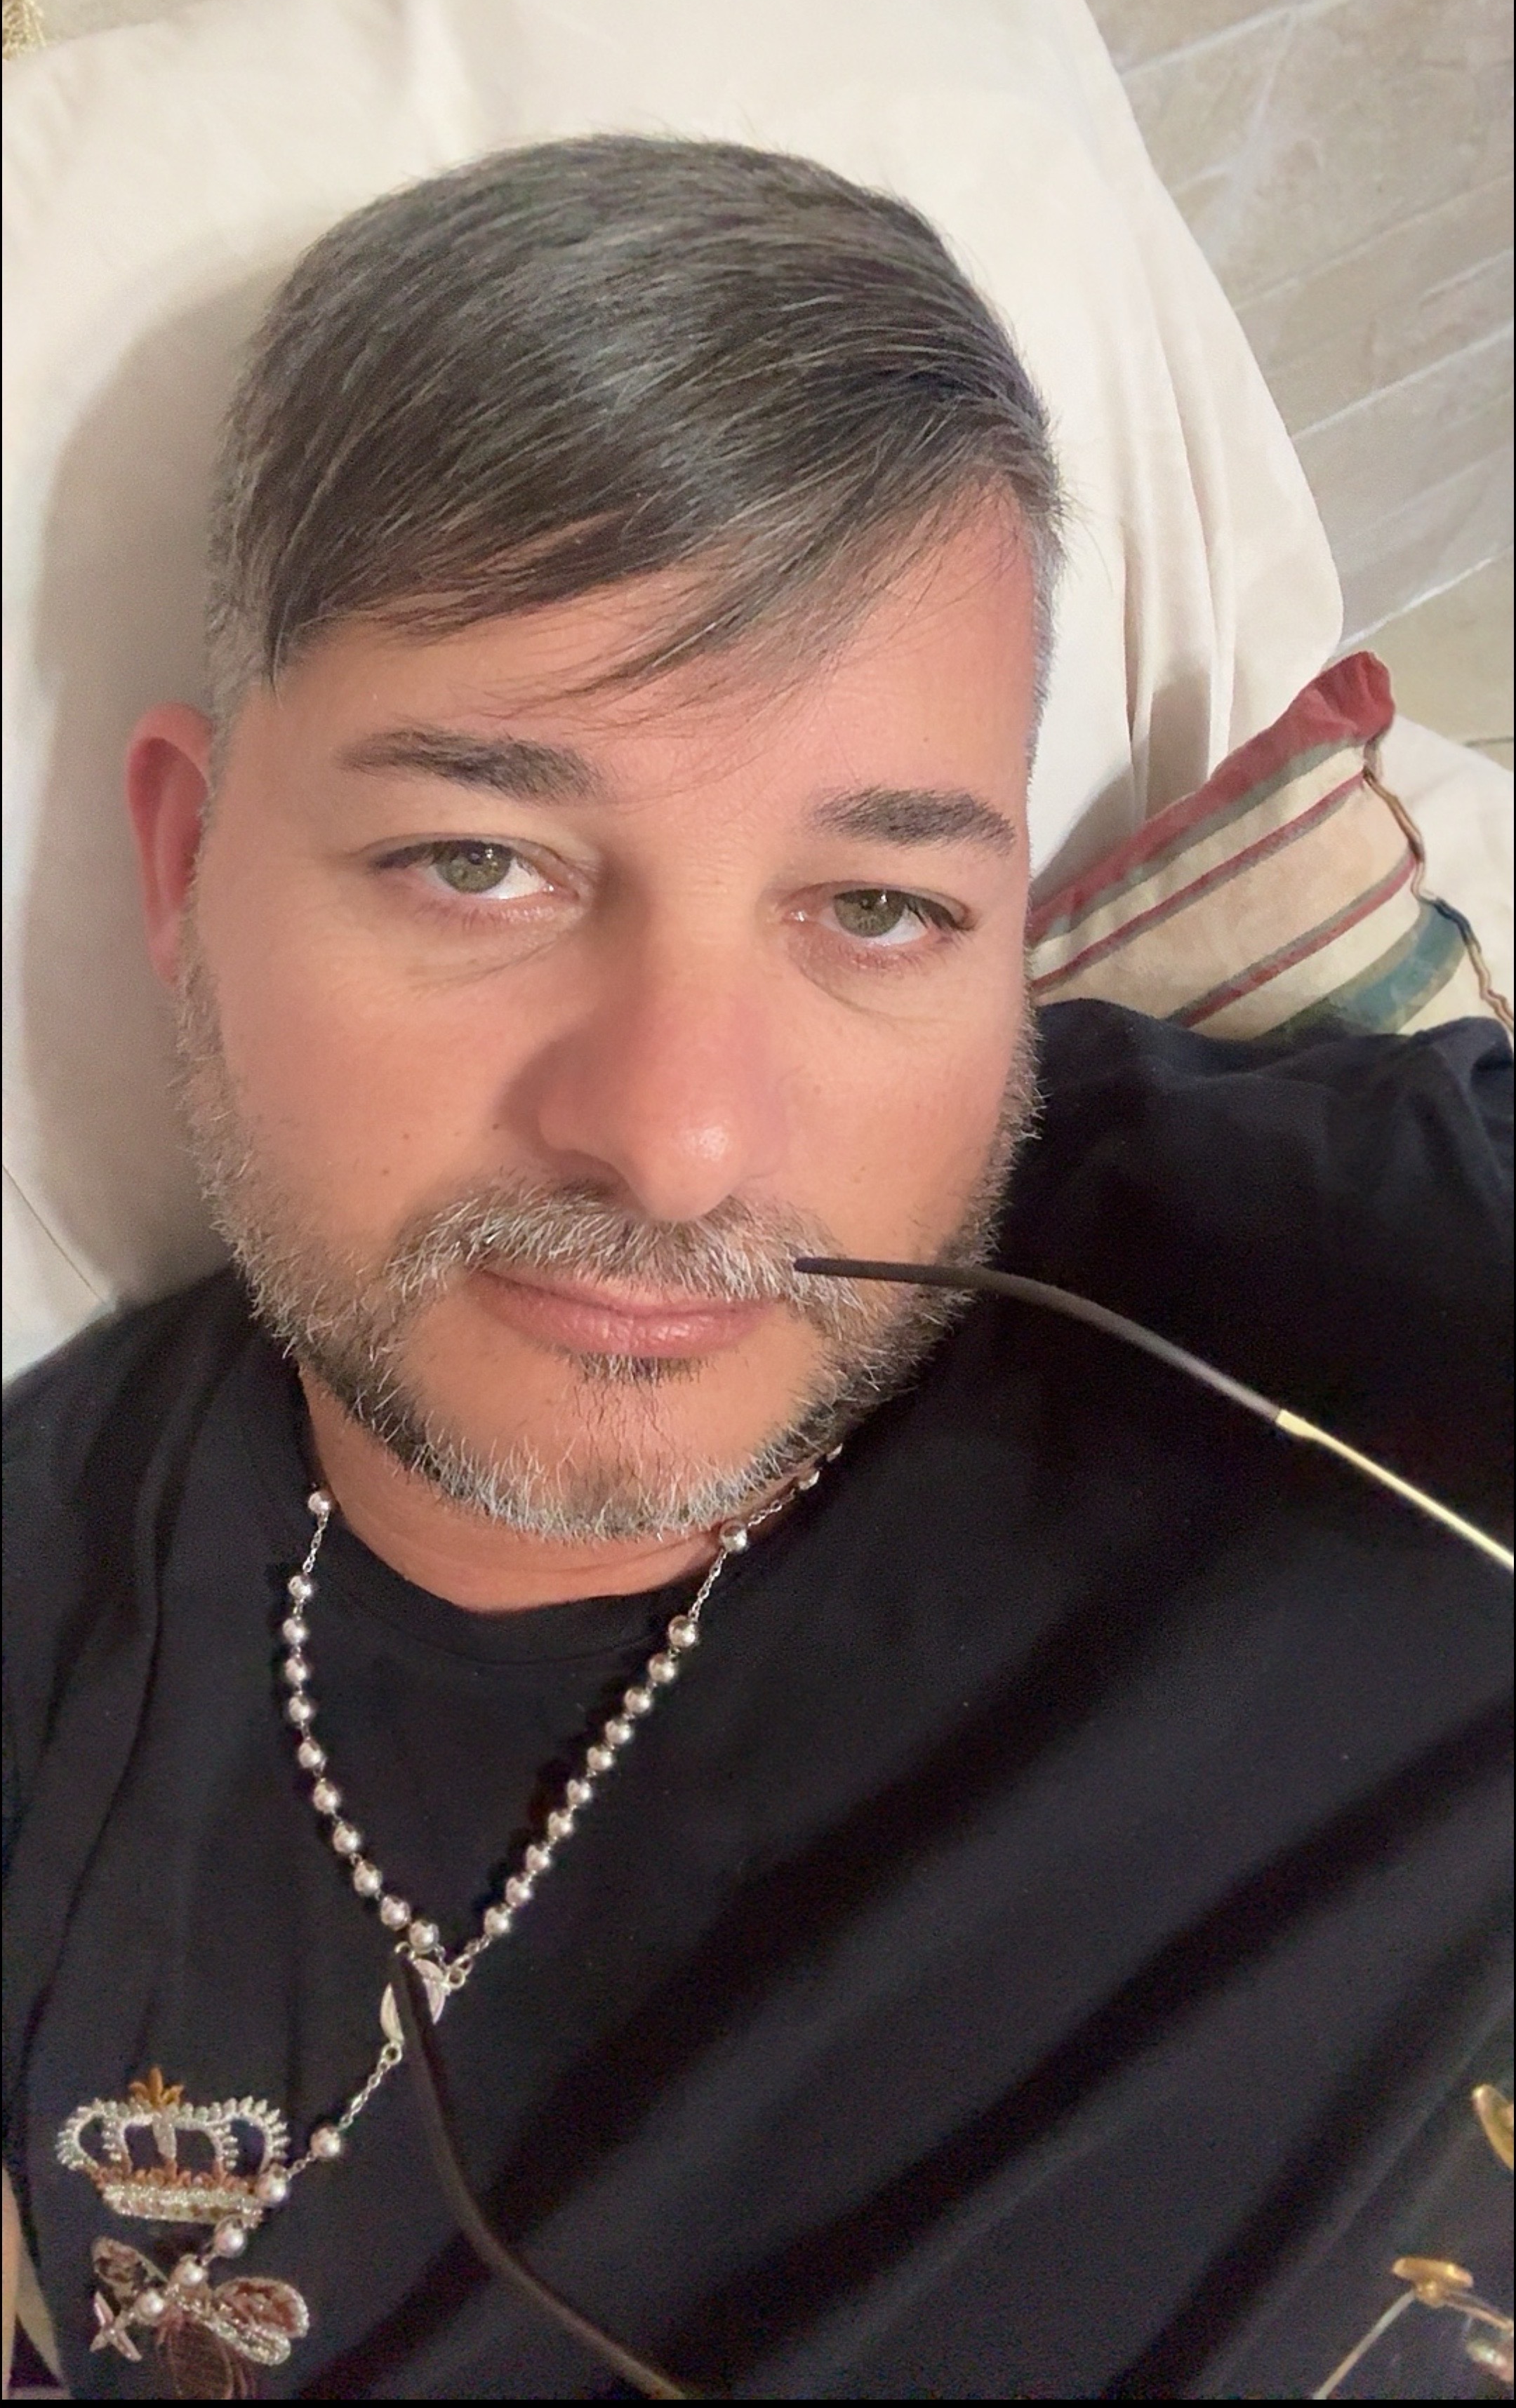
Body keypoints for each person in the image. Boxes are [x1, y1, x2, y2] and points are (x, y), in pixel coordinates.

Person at [3, 138, 1510, 2404]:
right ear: (188, 864)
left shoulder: (1346, 1275)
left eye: (878, 909)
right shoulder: (48, 1669)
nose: (680, 1139)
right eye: (479, 862)